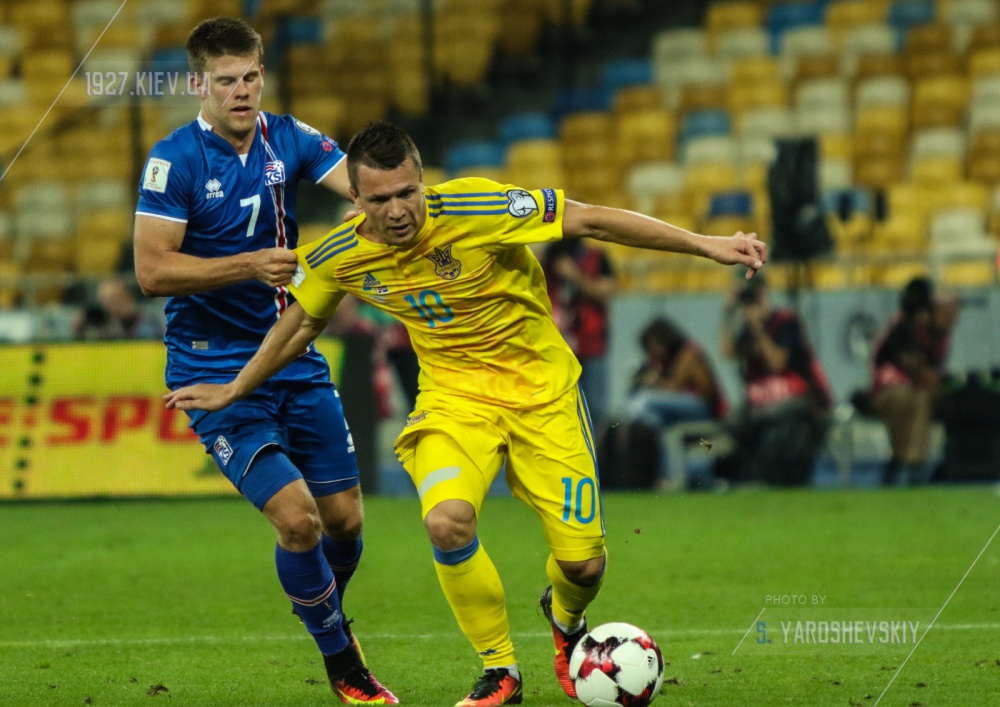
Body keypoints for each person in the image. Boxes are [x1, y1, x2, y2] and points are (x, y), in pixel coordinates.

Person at [163, 120, 767, 706]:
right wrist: (236, 388)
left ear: (423, 182)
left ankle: (564, 619)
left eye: (407, 193)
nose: (398, 211)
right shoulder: (340, 254)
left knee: (584, 566)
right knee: (446, 522)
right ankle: (499, 670)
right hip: (455, 403)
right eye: (380, 200)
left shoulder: (478, 207)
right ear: (355, 198)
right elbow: (300, 323)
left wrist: (706, 245)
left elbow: (589, 218)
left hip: (542, 394)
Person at [132, 18, 397, 704]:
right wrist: (248, 264)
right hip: (212, 367)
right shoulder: (173, 160)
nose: (242, 91)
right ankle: (343, 661)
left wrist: (386, 213)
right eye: (226, 81)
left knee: (346, 523)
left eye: (251, 76)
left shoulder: (289, 137)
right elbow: (152, 271)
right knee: (298, 519)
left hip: (293, 355)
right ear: (198, 84)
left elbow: (361, 185)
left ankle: (320, 609)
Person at [719, 275, 831, 486]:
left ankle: (765, 477)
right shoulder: (746, 327)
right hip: (761, 402)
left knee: (774, 423)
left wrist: (758, 329)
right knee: (733, 424)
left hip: (796, 399)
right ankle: (746, 475)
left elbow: (777, 363)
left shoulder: (785, 321)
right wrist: (728, 314)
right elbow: (728, 352)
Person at [870, 277, 957, 485]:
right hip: (889, 392)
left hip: (912, 392)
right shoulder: (904, 326)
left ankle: (901, 464)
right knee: (918, 399)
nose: (952, 318)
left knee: (928, 398)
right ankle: (914, 466)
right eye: (946, 311)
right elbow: (915, 370)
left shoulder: (938, 337)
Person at [624, 316, 727, 487]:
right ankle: (669, 476)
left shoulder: (688, 352)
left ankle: (667, 474)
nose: (651, 352)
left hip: (702, 408)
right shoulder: (661, 361)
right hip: (677, 414)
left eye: (652, 346)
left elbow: (680, 388)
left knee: (643, 402)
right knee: (652, 420)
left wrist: (654, 382)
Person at [540, 238, 616, 428]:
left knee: (595, 411)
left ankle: (597, 448)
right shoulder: (548, 258)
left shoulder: (596, 257)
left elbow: (606, 292)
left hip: (590, 347)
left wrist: (574, 276)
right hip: (554, 348)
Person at [72, 276, 164, 340]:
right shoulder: (109, 326)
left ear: (129, 297)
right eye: (105, 302)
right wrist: (79, 330)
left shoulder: (147, 324)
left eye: (114, 299)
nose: (110, 306)